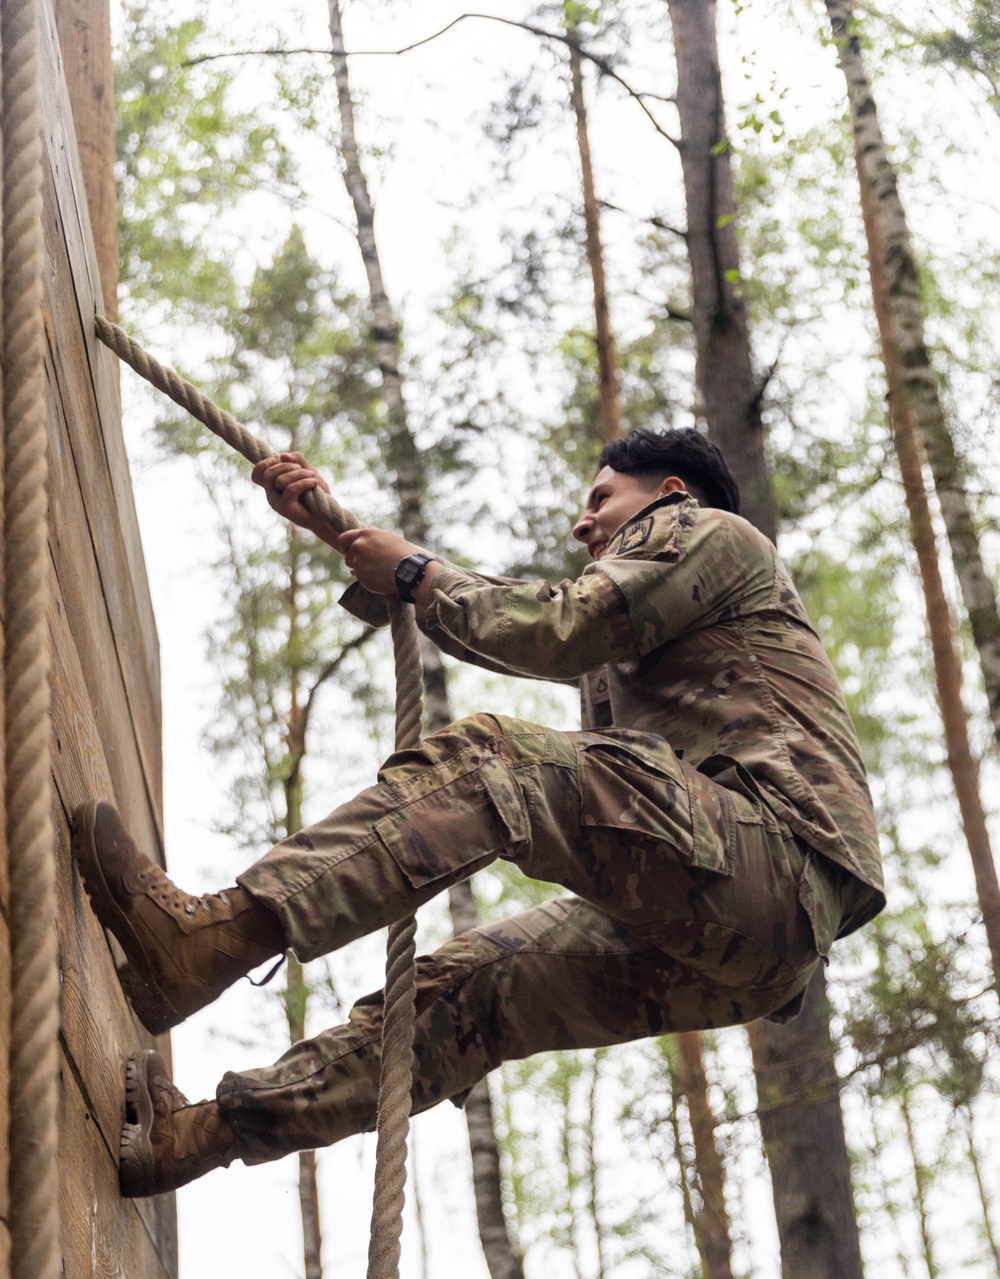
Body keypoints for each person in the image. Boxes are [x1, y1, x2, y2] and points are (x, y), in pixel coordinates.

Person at [72, 428, 884, 1198]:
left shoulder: (707, 530)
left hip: (771, 855)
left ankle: (210, 938)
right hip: (752, 937)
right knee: (467, 997)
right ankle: (192, 1139)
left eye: (603, 497)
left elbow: (557, 625)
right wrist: (358, 547)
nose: (583, 521)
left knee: (498, 761)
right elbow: (531, 624)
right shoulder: (647, 647)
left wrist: (418, 572)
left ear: (670, 493)